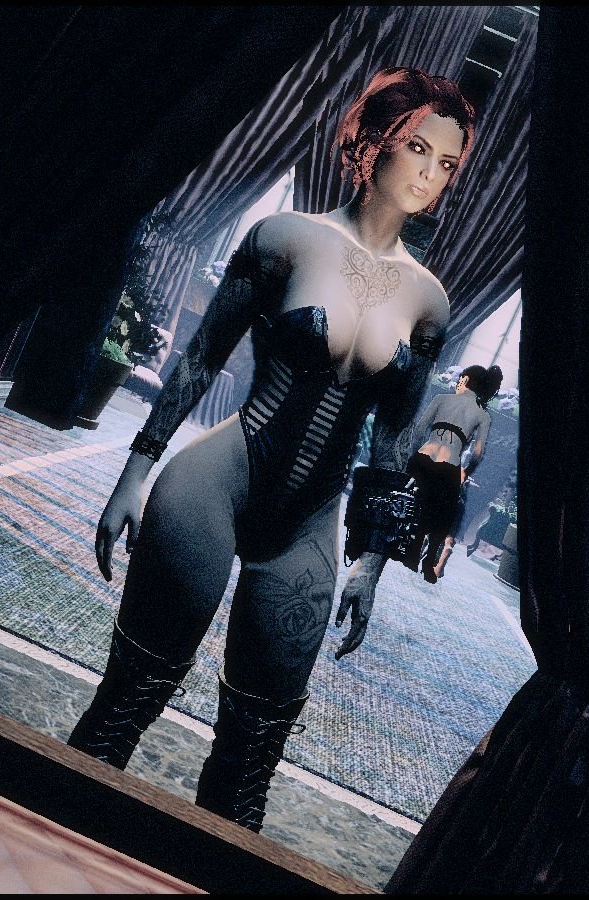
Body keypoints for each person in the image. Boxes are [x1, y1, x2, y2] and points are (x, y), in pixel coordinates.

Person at [67, 67, 477, 832]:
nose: (430, 174)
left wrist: (372, 562)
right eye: (418, 148)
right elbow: (202, 357)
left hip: (308, 526)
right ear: (375, 140)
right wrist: (134, 473)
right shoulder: (286, 238)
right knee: (125, 706)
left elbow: (392, 439)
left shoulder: (429, 302)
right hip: (212, 487)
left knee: (250, 761)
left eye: (447, 163)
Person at [405, 364, 503, 582]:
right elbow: (478, 453)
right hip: (448, 466)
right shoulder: (482, 415)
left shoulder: (441, 399)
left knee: (421, 504)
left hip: (423, 460)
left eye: (460, 379)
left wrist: (414, 455)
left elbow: (419, 430)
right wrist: (466, 471)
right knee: (444, 515)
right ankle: (429, 563)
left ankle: (412, 553)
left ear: (465, 380)